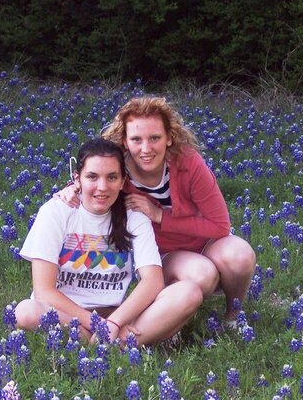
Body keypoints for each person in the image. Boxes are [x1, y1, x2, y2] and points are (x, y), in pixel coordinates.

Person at [56, 96, 256, 328]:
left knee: (240, 255)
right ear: (125, 141)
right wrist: (74, 188)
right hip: (162, 254)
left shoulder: (189, 163)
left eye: (155, 138)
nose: (146, 148)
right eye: (136, 139)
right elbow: (95, 178)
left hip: (206, 242)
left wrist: (160, 216)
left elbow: (220, 226)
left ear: (169, 138)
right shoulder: (118, 172)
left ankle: (233, 316)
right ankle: (170, 324)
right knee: (203, 274)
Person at [15, 138, 200, 345]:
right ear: (77, 179)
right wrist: (98, 325)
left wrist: (114, 321)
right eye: (92, 177)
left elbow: (153, 280)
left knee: (189, 292)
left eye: (112, 177)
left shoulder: (134, 216)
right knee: (25, 312)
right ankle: (118, 343)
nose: (102, 187)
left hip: (115, 313)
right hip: (64, 313)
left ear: (122, 181)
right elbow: (44, 291)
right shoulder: (55, 212)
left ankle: (97, 343)